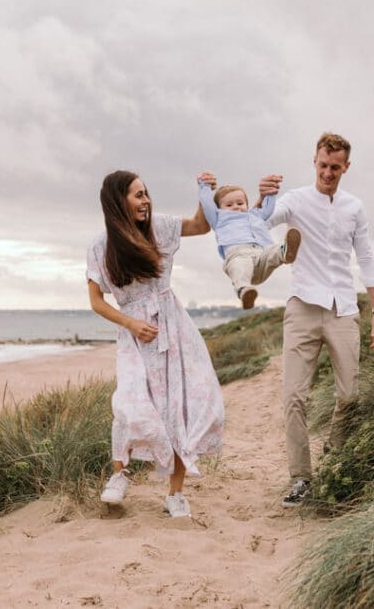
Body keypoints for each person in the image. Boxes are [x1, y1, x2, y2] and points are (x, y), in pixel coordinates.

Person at [86, 170, 225, 519]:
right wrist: (131, 323)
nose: (146, 201)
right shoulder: (101, 247)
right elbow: (97, 301)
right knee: (129, 403)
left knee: (180, 406)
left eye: (146, 193)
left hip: (173, 328)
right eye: (137, 195)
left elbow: (200, 224)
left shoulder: (160, 227)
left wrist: (205, 191)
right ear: (118, 202)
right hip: (134, 336)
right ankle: (119, 474)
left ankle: (175, 494)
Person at [261, 132, 374, 508]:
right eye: (322, 165)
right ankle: (301, 478)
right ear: (314, 162)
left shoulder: (354, 207)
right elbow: (263, 221)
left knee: (350, 394)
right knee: (294, 397)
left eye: (335, 167)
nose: (328, 173)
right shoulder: (296, 200)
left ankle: (332, 459)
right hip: (302, 308)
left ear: (346, 167)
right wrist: (262, 197)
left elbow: (365, 257)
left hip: (343, 309)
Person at [197, 175, 302, 309]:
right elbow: (206, 203)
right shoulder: (218, 219)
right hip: (238, 255)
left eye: (240, 203)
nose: (235, 207)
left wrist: (271, 193)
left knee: (272, 251)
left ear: (246, 204)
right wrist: (204, 186)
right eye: (229, 205)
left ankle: (285, 252)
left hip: (260, 255)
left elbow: (268, 209)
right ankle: (244, 290)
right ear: (219, 209)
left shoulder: (255, 215)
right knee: (240, 265)